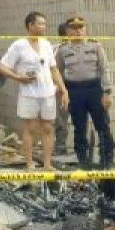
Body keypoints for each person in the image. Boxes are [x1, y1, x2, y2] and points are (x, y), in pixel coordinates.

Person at [0, 12, 69, 171]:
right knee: (30, 128)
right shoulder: (19, 46)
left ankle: (47, 164)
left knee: (48, 128)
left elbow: (53, 69)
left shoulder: (46, 45)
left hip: (47, 93)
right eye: (40, 24)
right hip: (29, 93)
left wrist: (63, 90)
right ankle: (29, 163)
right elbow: (1, 67)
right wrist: (18, 77)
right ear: (30, 25)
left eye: (44, 24)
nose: (43, 27)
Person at [56, 17, 115, 169]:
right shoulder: (63, 50)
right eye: (74, 28)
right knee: (79, 126)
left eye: (81, 28)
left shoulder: (95, 46)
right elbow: (57, 71)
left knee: (102, 125)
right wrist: (62, 90)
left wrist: (107, 92)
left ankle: (107, 160)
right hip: (74, 91)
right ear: (68, 31)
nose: (78, 31)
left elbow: (105, 69)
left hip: (95, 89)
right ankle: (83, 160)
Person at [52, 23, 72, 156]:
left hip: (79, 87)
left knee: (80, 119)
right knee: (60, 118)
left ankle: (81, 147)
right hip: (61, 88)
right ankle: (60, 145)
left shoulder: (83, 47)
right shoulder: (55, 49)